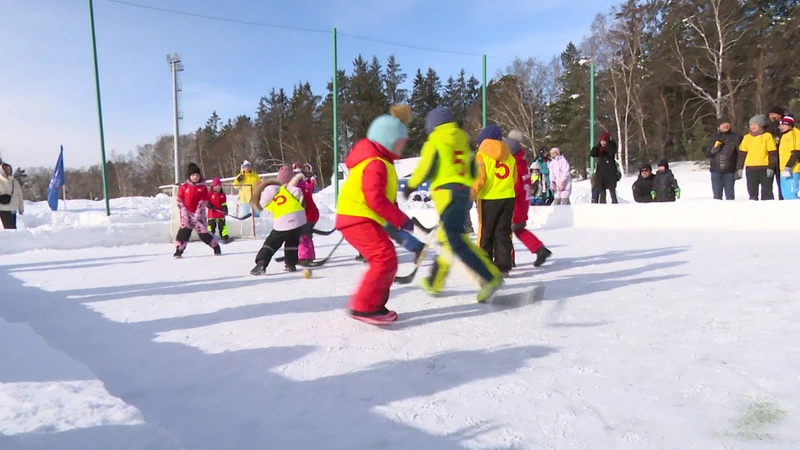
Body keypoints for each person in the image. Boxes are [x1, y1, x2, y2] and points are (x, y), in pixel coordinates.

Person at [404, 108, 503, 301]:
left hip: (446, 195)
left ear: (432, 126)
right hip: (462, 194)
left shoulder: (435, 141)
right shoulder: (462, 140)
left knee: (455, 241)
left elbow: (425, 166)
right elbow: (473, 169)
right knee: (447, 238)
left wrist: (411, 185)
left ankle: (490, 277)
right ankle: (434, 282)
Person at [335, 105, 422, 324]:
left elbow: (384, 198)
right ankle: (364, 307)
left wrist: (401, 218)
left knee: (386, 257)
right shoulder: (376, 163)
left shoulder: (380, 162)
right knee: (383, 257)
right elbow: (375, 198)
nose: (403, 146)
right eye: (401, 142)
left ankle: (374, 305)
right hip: (357, 217)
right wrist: (400, 220)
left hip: (360, 217)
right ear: (388, 140)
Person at [472, 124, 516, 276]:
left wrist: (471, 194)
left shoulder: (481, 156)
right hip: (508, 198)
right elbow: (514, 178)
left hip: (488, 199)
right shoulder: (510, 157)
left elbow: (480, 179)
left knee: (486, 233)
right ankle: (503, 266)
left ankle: (484, 265)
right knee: (503, 233)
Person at [249, 165, 307, 275]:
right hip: (299, 217)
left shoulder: (268, 194)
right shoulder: (285, 190)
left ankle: (261, 263)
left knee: (272, 243)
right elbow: (297, 192)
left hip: (284, 218)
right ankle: (290, 264)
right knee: (292, 240)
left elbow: (264, 207)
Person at [505, 133, 551, 268]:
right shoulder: (522, 164)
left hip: (515, 205)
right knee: (519, 230)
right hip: (523, 204)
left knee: (505, 232)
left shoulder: (514, 167)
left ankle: (508, 259)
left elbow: (515, 187)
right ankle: (540, 249)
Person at [174, 163, 221, 258]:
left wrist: (198, 213)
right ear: (189, 176)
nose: (195, 177)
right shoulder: (184, 187)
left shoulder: (202, 188)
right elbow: (179, 200)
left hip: (199, 216)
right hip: (186, 216)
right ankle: (179, 250)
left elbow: (203, 201)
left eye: (197, 175)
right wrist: (184, 210)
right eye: (193, 175)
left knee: (204, 234)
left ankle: (215, 246)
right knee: (184, 232)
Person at [738, 115, 778, 201]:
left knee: (767, 193)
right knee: (752, 193)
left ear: (760, 125)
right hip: (751, 168)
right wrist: (739, 168)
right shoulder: (746, 137)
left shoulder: (767, 136)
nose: (753, 127)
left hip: (765, 168)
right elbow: (742, 154)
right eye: (751, 125)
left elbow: (772, 153)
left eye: (755, 125)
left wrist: (771, 167)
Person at [705, 117, 743, 200]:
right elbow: (707, 154)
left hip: (730, 171)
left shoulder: (736, 137)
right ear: (719, 126)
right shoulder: (714, 137)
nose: (725, 125)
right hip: (716, 171)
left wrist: (739, 168)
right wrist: (713, 150)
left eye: (727, 123)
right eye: (722, 124)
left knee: (730, 197)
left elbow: (740, 154)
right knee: (717, 197)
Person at [294, 163, 320, 265]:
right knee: (308, 235)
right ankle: (310, 255)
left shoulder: (296, 189)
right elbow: (311, 185)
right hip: (313, 214)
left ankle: (305, 257)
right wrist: (312, 179)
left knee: (303, 236)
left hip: (306, 216)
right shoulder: (305, 185)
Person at [590, 131, 619, 203]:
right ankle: (602, 204)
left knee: (612, 190)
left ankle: (615, 204)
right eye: (601, 141)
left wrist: (605, 148)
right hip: (601, 173)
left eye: (604, 141)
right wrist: (597, 146)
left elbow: (611, 153)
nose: (602, 143)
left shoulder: (611, 146)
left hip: (610, 172)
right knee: (602, 191)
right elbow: (593, 153)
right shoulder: (599, 149)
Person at [777, 115, 800, 200]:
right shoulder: (784, 135)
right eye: (780, 125)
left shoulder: (794, 134)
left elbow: (796, 152)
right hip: (784, 169)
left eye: (784, 125)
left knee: (791, 195)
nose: (781, 127)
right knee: (786, 195)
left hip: (792, 169)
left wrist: (788, 167)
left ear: (790, 125)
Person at [767, 106, 785, 199]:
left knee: (781, 182)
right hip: (770, 158)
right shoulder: (767, 127)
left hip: (782, 158)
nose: (771, 116)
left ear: (780, 115)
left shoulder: (786, 126)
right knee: (767, 184)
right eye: (770, 115)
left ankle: (782, 198)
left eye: (773, 114)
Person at [207, 177, 232, 243]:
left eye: (219, 186)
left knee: (222, 226)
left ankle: (224, 236)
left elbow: (224, 203)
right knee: (211, 226)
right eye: (216, 186)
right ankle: (210, 237)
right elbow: (206, 201)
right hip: (212, 214)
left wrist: (225, 209)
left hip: (220, 214)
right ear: (213, 186)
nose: (218, 187)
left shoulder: (222, 195)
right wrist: (210, 205)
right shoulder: (210, 194)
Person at [0, 161, 24, 229]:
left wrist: (21, 208)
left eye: (9, 169)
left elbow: (19, 196)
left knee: (12, 228)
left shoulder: (14, 181)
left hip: (12, 208)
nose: (8, 171)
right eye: (6, 169)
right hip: (2, 209)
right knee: (8, 228)